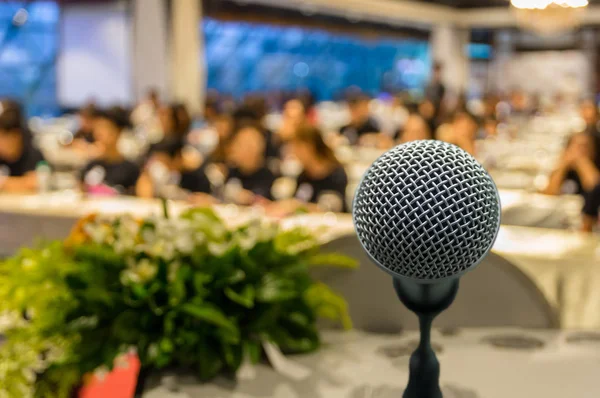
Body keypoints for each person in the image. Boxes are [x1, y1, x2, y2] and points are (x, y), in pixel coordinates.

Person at [269, 124, 348, 215]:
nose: (294, 152)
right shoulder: (304, 176)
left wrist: (298, 206)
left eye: (297, 146)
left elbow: (332, 208)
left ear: (309, 146)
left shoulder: (335, 174)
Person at [80, 107, 140, 195]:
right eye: (97, 128)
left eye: (105, 128)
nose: (99, 133)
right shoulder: (91, 165)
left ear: (118, 131)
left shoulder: (131, 169)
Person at [136, 140, 213, 201]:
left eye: (164, 161)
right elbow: (145, 195)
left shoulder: (195, 175)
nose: (161, 164)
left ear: (177, 156)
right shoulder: (161, 172)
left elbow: (206, 199)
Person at [224, 122, 277, 205]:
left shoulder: (268, 175)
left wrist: (251, 199)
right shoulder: (232, 172)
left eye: (246, 145)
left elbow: (273, 203)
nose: (235, 148)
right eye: (237, 143)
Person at [0, 104, 45, 193]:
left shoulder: (32, 151)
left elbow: (35, 182)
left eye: (2, 137)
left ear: (15, 136)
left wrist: (4, 183)